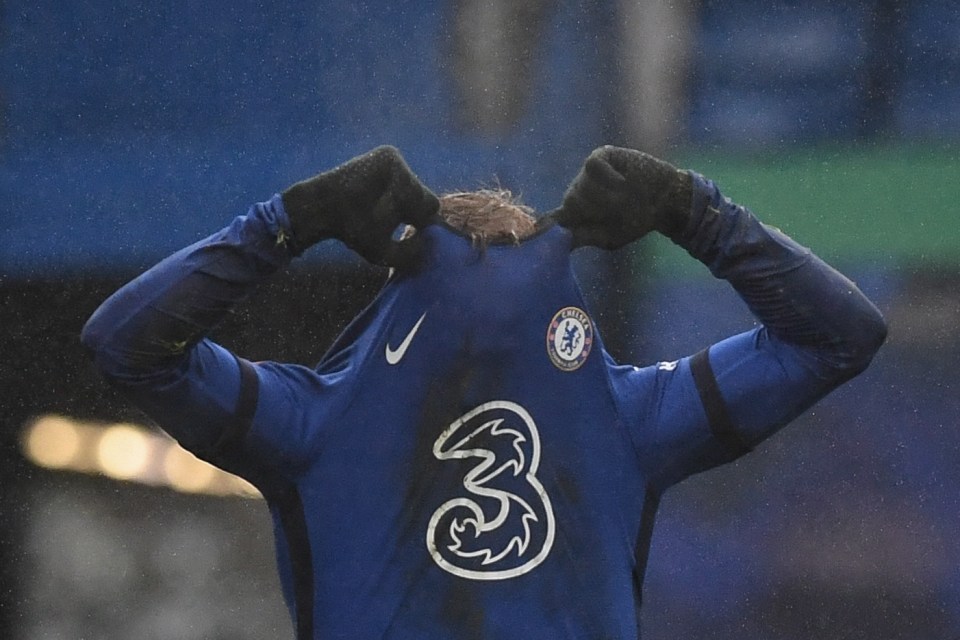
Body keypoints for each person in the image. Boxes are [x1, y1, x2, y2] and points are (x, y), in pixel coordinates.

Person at [81, 144, 887, 639]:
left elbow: (131, 346)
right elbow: (835, 337)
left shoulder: (312, 421)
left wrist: (290, 222)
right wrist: (696, 215)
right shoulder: (629, 417)